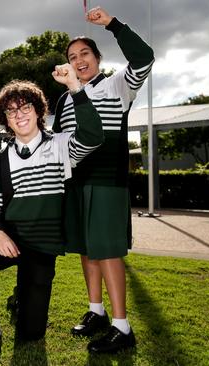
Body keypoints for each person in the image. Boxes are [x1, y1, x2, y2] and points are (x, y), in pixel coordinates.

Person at [0, 69, 104, 363]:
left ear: (38, 111)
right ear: (5, 120)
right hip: (12, 238)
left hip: (42, 245)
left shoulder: (61, 146)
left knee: (31, 332)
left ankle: (22, 296)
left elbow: (93, 135)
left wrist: (75, 88)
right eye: (11, 111)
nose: (19, 115)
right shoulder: (2, 159)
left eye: (25, 107)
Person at [51, 6, 154, 354]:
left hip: (108, 182)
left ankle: (122, 328)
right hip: (76, 184)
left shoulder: (117, 85)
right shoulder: (65, 98)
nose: (79, 60)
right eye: (72, 56)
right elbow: (58, 145)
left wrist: (111, 23)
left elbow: (144, 57)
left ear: (97, 58)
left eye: (85, 54)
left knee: (107, 252)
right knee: (86, 249)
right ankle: (97, 311)